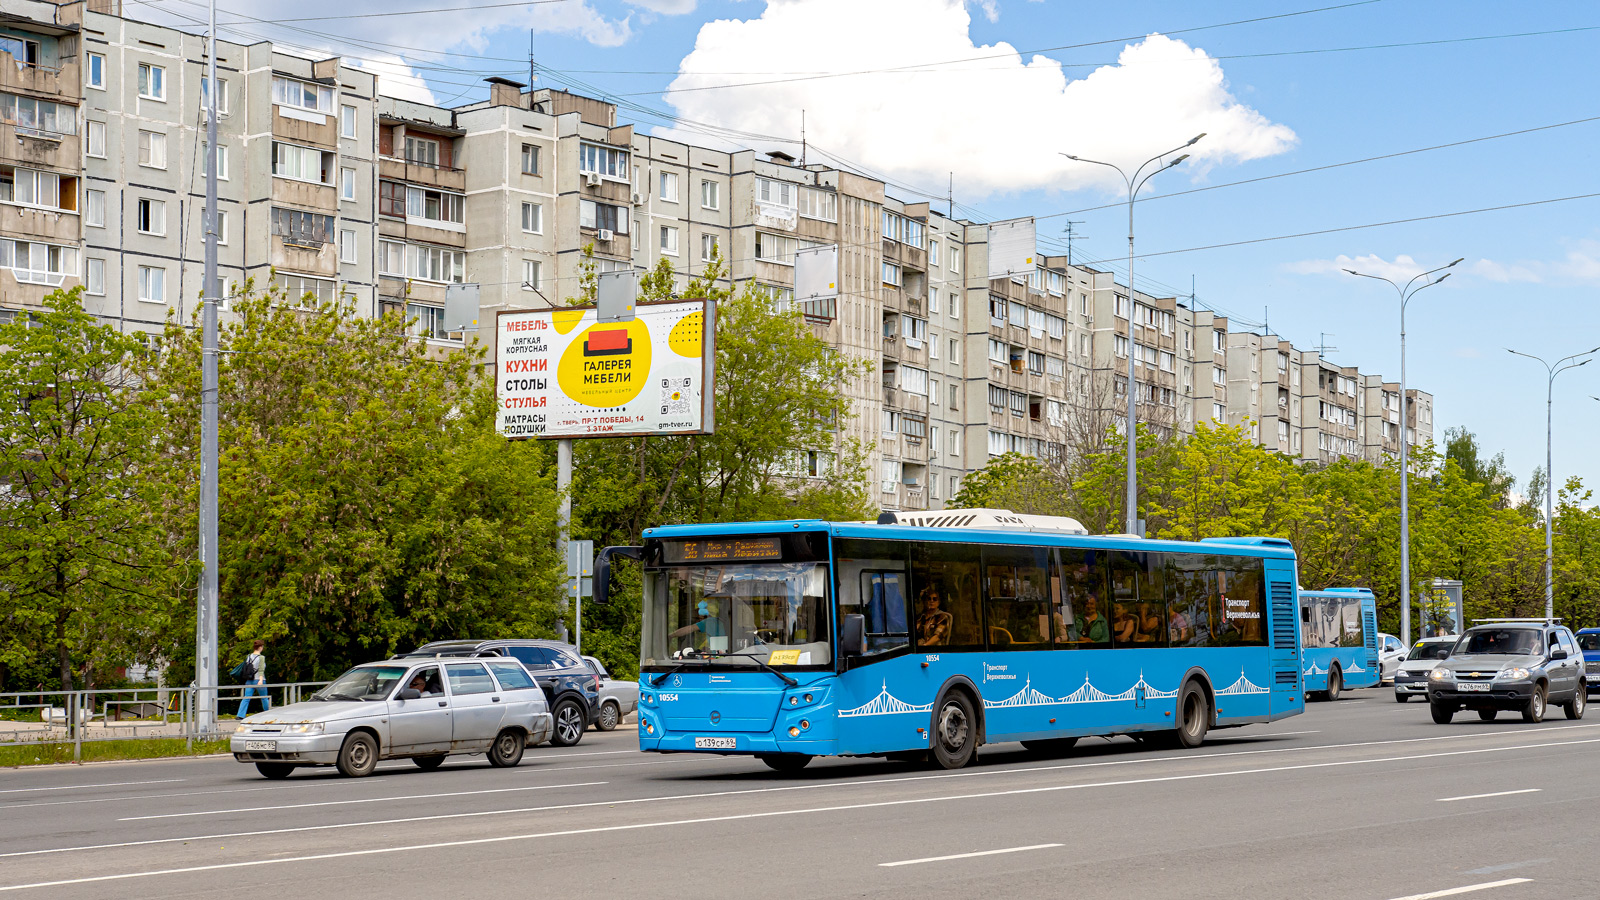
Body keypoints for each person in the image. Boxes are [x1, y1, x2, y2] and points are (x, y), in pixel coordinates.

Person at [236, 640, 268, 718]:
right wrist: (260, 680)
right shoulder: (261, 657)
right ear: (260, 647)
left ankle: (240, 715)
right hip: (259, 680)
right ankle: (268, 713)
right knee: (264, 698)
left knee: (246, 698)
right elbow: (261, 669)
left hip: (249, 680)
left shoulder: (249, 656)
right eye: (262, 647)